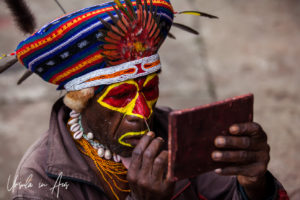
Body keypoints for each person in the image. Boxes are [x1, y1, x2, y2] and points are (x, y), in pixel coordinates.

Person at [2, 0, 288, 199]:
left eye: (149, 90)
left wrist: (255, 186)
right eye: (121, 95)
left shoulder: (176, 132)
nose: (141, 112)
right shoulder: (38, 182)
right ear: (80, 99)